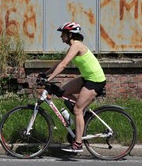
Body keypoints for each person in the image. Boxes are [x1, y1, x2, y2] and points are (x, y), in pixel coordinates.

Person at [41, 22, 106, 153]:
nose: (61, 37)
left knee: (77, 109)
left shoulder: (77, 46)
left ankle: (78, 144)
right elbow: (60, 63)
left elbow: (64, 65)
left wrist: (48, 80)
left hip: (95, 80)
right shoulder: (73, 46)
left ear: (70, 35)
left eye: (63, 34)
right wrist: (45, 74)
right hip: (87, 78)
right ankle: (82, 115)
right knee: (62, 92)